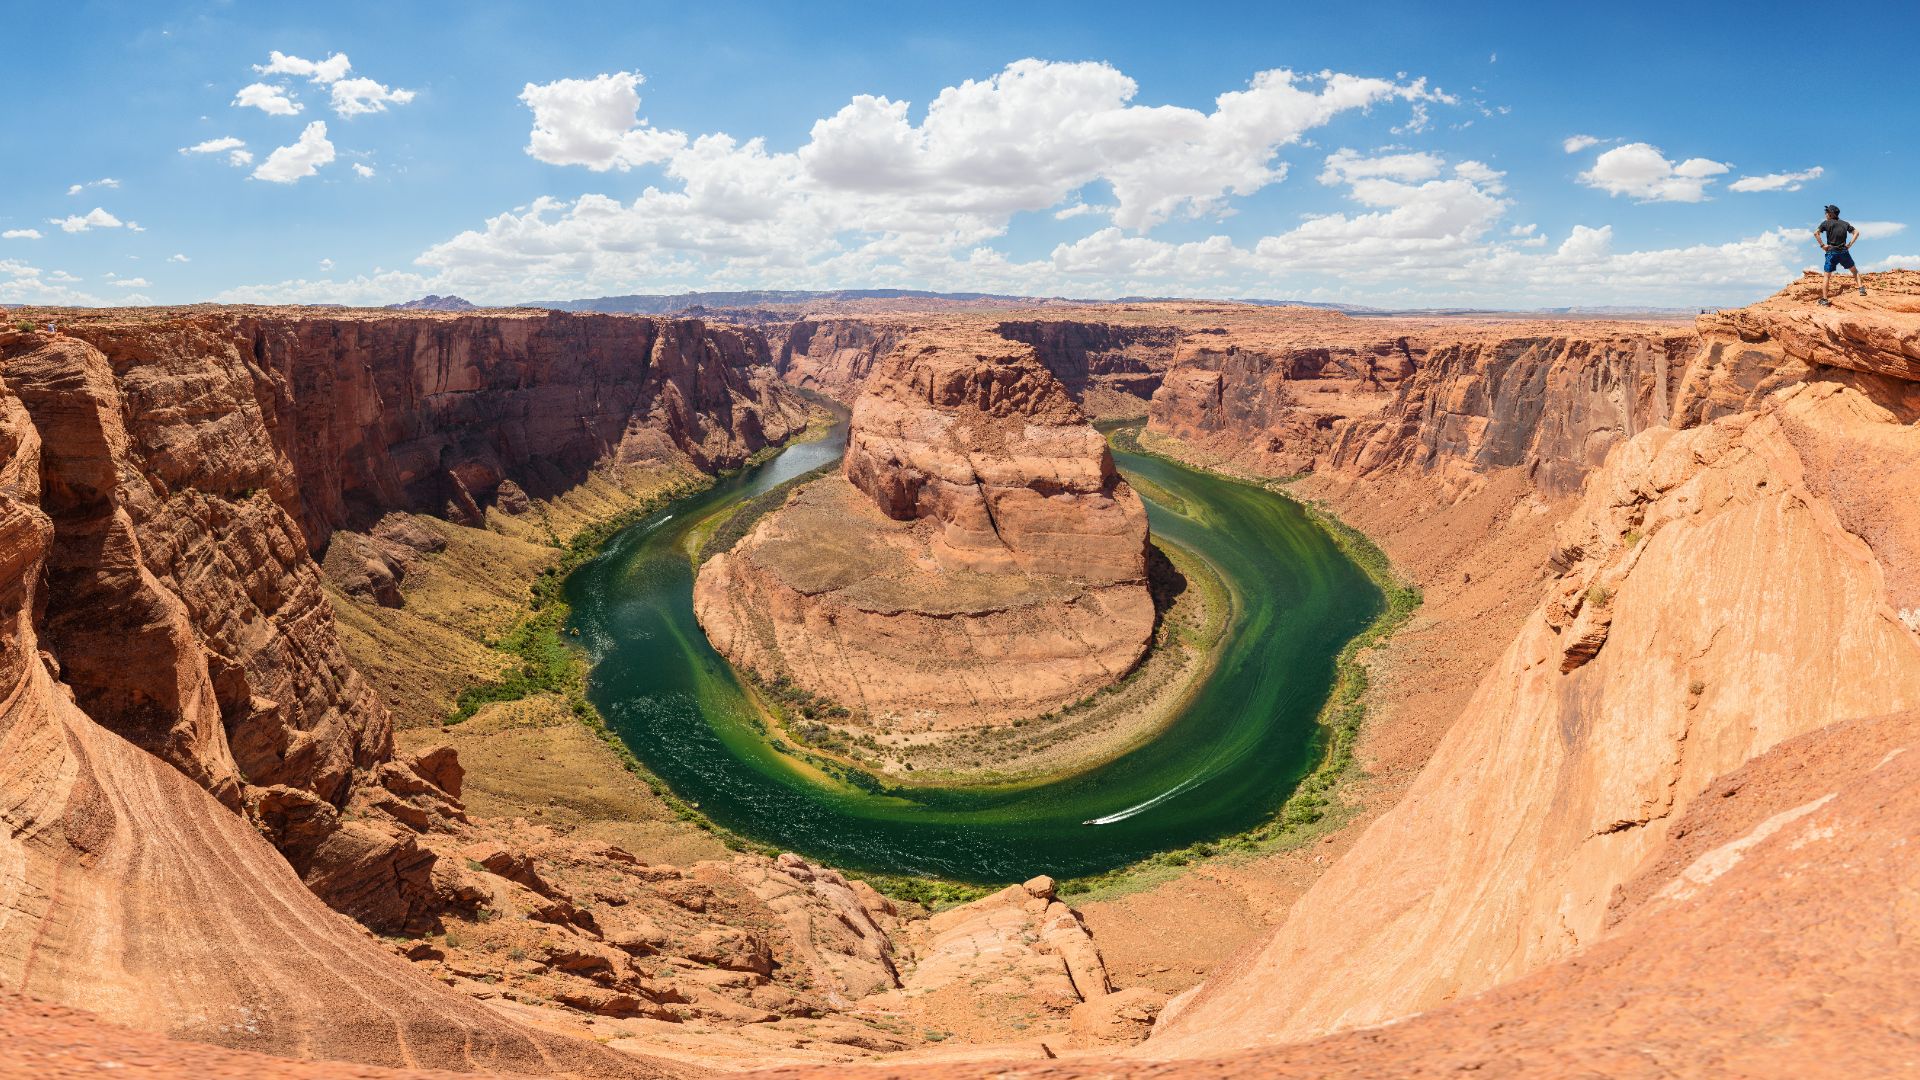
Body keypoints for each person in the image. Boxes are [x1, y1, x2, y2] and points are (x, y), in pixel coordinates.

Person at [1814, 204, 1864, 306]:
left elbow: (1816, 233)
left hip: (1831, 252)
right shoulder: (1845, 224)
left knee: (1827, 276)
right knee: (1854, 271)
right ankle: (1861, 289)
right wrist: (1849, 245)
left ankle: (1824, 300)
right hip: (1843, 252)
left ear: (1831, 214)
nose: (1825, 214)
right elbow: (1856, 232)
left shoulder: (1826, 223)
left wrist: (1822, 245)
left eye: (1826, 212)